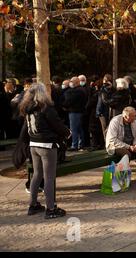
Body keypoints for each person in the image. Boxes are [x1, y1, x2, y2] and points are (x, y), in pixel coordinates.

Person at [19, 83, 71, 219]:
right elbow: (57, 124)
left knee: (37, 175)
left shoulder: (27, 108)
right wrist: (67, 133)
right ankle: (51, 209)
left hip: (33, 144)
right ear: (42, 93)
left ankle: (33, 205)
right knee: (49, 177)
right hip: (46, 145)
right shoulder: (46, 108)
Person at [105, 106, 136, 183]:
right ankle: (122, 179)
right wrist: (129, 147)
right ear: (126, 116)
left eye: (135, 115)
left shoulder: (134, 121)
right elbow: (113, 140)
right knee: (126, 154)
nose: (135, 117)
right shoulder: (115, 121)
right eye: (133, 116)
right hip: (115, 146)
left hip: (131, 144)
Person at [62, 76, 87, 151]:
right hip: (80, 112)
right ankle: (81, 144)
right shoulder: (82, 90)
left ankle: (74, 145)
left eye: (71, 81)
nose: (70, 83)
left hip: (74, 112)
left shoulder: (76, 91)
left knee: (74, 129)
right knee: (79, 129)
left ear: (76, 82)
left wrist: (63, 105)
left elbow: (69, 101)